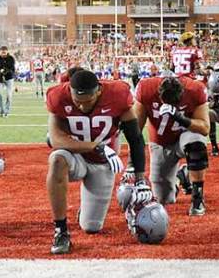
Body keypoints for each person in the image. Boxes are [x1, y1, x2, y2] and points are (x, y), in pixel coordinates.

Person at [46, 70, 146, 255]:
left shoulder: (117, 95)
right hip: (74, 156)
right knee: (57, 159)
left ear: (99, 91)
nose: (83, 107)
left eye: (88, 102)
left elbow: (135, 138)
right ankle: (61, 230)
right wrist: (97, 146)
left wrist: (140, 179)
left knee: (91, 227)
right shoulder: (59, 96)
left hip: (102, 164)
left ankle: (84, 212)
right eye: (78, 102)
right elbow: (56, 140)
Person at [133, 75, 211, 214]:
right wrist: (131, 165)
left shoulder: (195, 89)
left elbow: (204, 128)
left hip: (185, 135)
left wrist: (180, 118)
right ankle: (181, 177)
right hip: (160, 142)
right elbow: (135, 131)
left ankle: (197, 198)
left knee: (196, 144)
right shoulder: (146, 89)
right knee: (163, 198)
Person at [0, 46, 16, 118]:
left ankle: (7, 111)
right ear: (0, 52)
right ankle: (2, 111)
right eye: (2, 52)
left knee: (9, 95)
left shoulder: (11, 58)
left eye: (4, 52)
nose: (3, 54)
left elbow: (12, 69)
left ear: (7, 52)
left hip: (9, 78)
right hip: (0, 79)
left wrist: (4, 71)